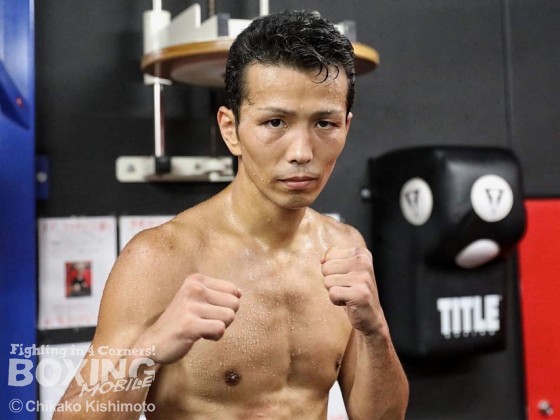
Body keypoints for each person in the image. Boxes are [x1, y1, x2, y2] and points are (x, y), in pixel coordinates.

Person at [57, 10, 408, 419]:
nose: (302, 152)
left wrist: (375, 329)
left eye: (324, 123)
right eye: (275, 122)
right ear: (230, 129)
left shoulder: (343, 248)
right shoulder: (160, 258)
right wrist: (146, 352)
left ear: (346, 126)